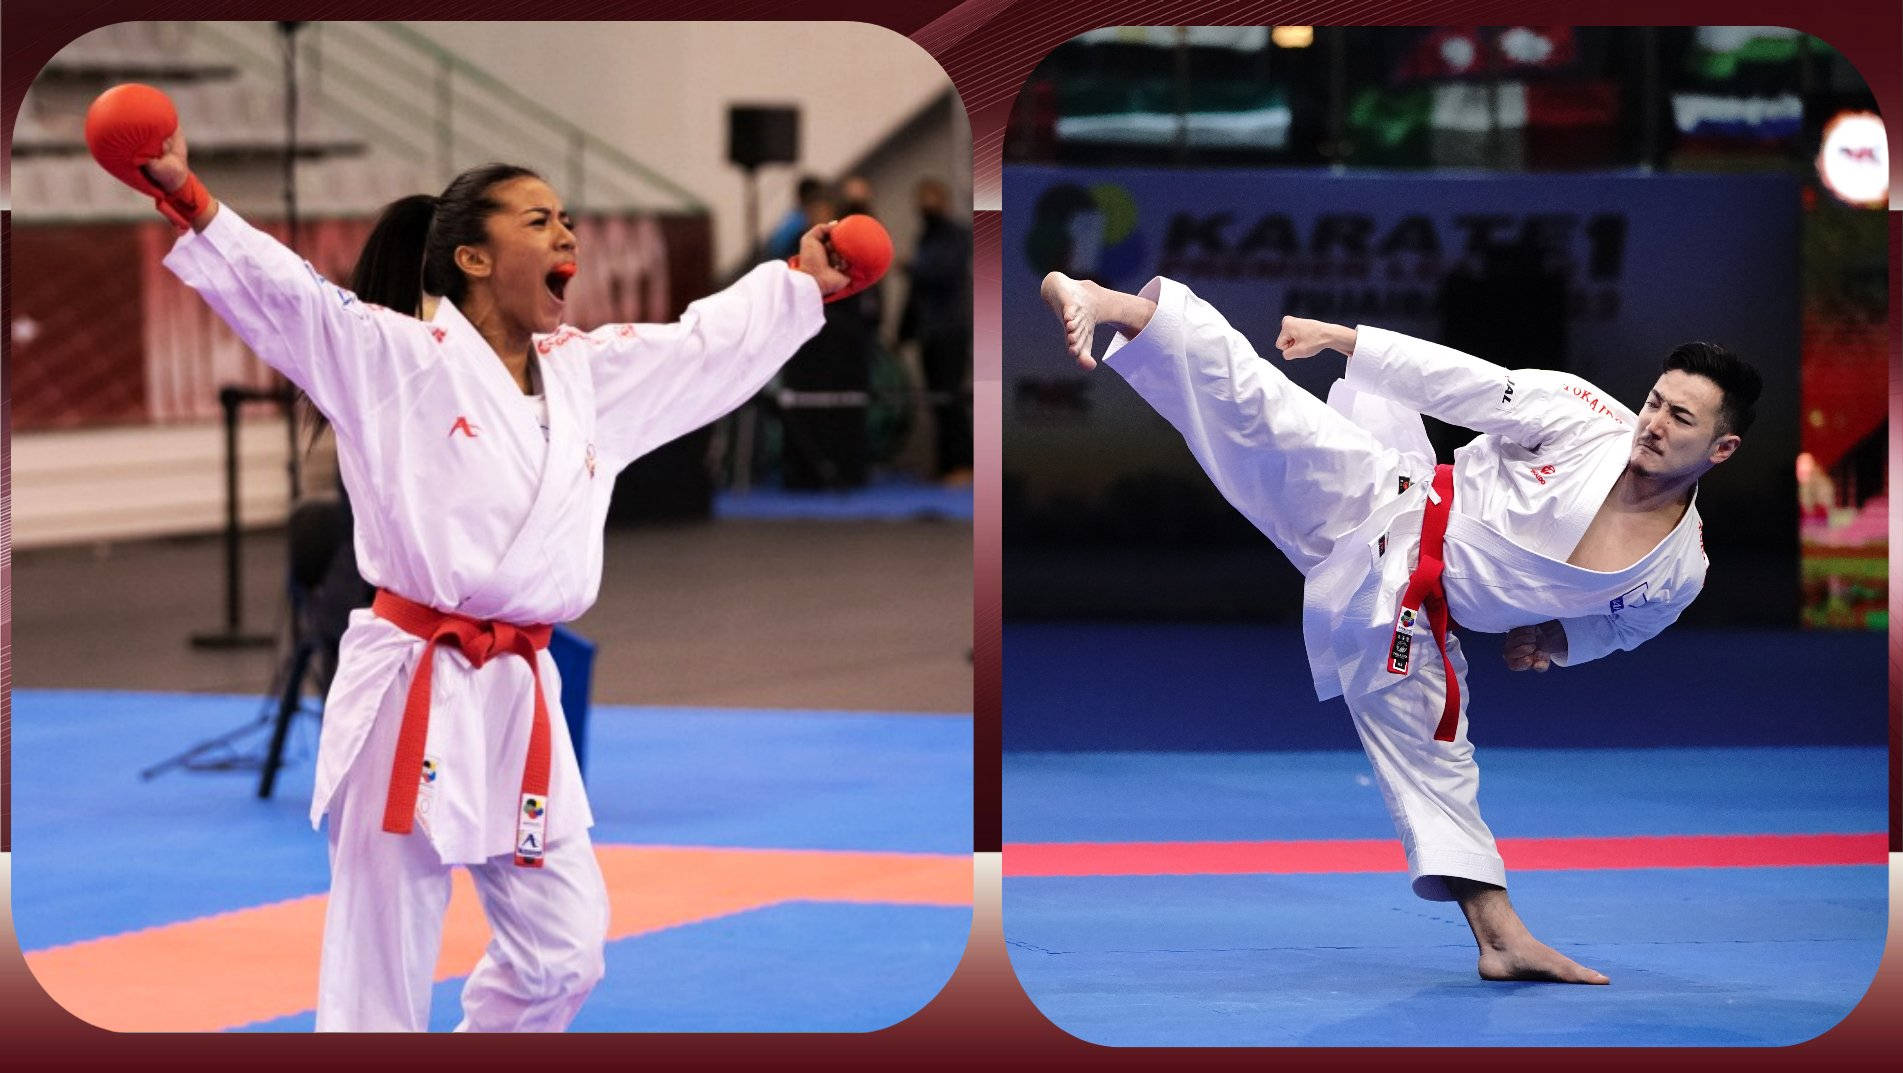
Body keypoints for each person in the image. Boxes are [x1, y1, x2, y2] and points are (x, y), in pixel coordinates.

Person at [88, 83, 877, 1030]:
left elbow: (702, 346)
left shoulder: (590, 373)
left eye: (570, 222)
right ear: (471, 255)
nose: (566, 239)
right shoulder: (393, 357)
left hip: (519, 689)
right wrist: (189, 199)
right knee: (378, 975)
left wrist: (798, 283)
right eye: (539, 220)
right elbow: (292, 299)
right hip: (409, 686)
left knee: (565, 951)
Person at [1040, 270, 1760, 985]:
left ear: (1720, 450)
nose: (1653, 424)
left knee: (1437, 762)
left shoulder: (1678, 571)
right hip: (1384, 502)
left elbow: (1628, 625)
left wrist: (1557, 640)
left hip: (1402, 613)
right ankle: (1101, 299)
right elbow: (1467, 382)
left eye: (1680, 419)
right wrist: (1343, 341)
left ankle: (1501, 939)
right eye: (1654, 402)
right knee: (1261, 407)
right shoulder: (1586, 419)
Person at [898, 178, 973, 483]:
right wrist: (904, 332)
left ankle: (964, 465)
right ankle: (944, 465)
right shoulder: (924, 238)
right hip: (929, 332)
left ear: (943, 201)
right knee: (936, 402)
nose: (926, 205)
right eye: (921, 198)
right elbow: (916, 294)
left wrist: (912, 267)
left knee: (950, 398)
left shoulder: (957, 236)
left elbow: (944, 273)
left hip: (951, 330)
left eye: (932, 198)